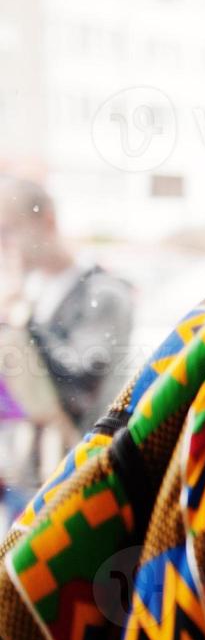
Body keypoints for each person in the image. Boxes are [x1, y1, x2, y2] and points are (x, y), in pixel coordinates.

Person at [0, 175, 133, 524]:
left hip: (76, 491)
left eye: (7, 229)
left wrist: (20, 320)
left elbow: (77, 387)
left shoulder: (104, 294)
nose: (3, 244)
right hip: (22, 486)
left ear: (46, 222)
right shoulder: (28, 293)